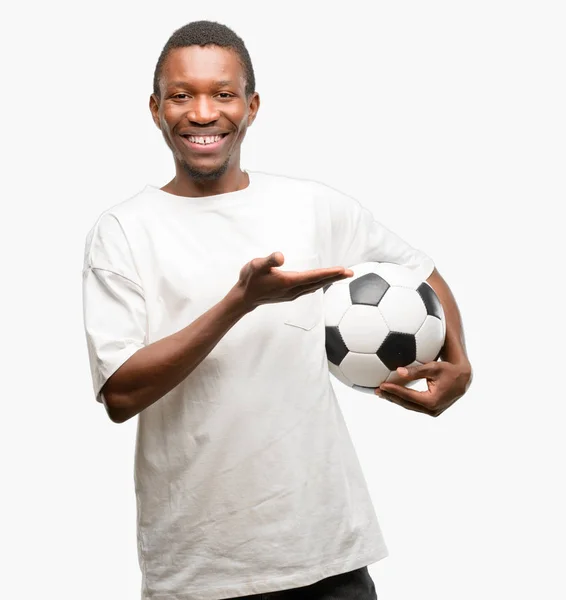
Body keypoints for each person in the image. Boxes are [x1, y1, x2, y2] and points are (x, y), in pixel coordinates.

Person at [82, 20, 472, 600]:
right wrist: (240, 303)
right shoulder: (123, 231)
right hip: (199, 570)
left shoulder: (312, 205)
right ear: (155, 108)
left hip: (329, 557)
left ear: (252, 105)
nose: (203, 113)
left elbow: (419, 273)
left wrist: (459, 363)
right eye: (181, 95)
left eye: (223, 93)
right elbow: (120, 394)